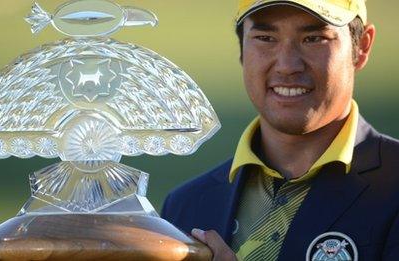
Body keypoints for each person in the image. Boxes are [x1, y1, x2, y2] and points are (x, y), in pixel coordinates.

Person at [161, 0, 399, 260]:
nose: (287, 65)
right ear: (241, 48)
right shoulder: (184, 206)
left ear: (362, 46)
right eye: (265, 37)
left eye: (314, 38)